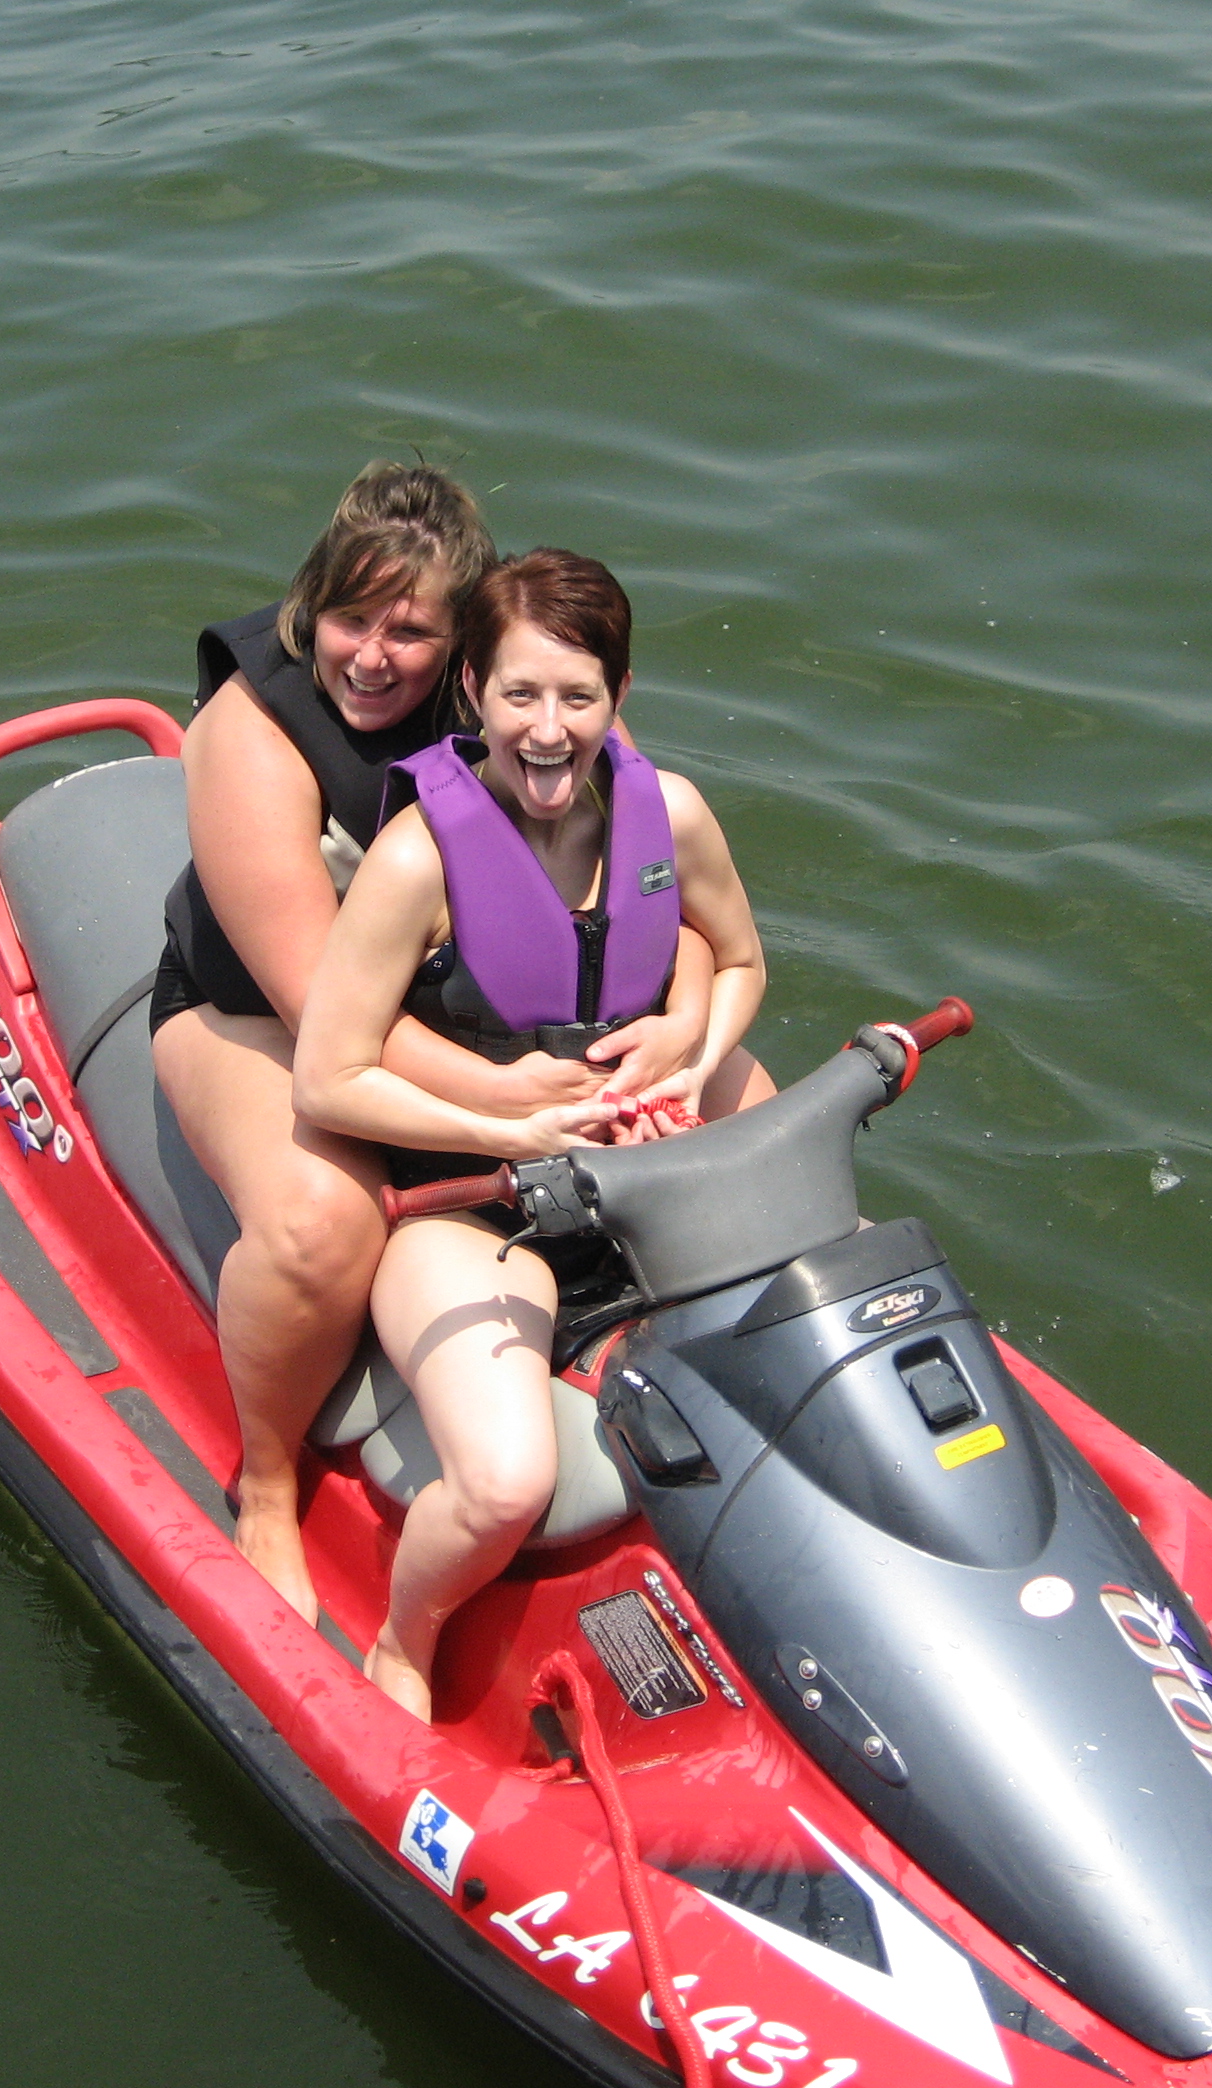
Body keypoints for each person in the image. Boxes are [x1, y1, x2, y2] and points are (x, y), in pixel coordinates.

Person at [150, 470, 712, 1626]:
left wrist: (673, 1041)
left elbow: (671, 905)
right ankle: (267, 1481)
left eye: (407, 632)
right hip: (256, 1015)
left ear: (462, 645)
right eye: (348, 619)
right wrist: (521, 1101)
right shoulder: (250, 735)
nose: (370, 657)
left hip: (482, 1014)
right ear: (310, 606)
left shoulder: (524, 697)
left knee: (735, 1119)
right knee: (323, 1223)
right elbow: (318, 1009)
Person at [292, 549, 767, 1720]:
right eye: (519, 695)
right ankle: (404, 1643)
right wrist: (505, 1121)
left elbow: (740, 959)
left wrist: (685, 1056)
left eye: (576, 697)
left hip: (635, 1179)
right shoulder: (417, 859)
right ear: (471, 691)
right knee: (504, 1485)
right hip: (467, 1211)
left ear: (618, 695)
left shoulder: (670, 816)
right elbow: (328, 1079)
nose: (547, 731)